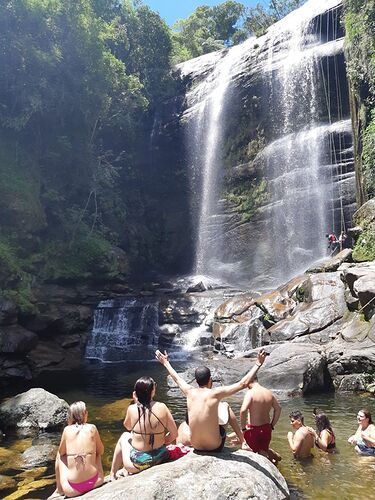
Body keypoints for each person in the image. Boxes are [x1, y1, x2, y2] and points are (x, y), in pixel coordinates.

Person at [155, 349, 267, 452]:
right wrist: (258, 364)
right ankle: (243, 442)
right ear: (210, 380)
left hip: (196, 445)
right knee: (225, 406)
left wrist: (165, 362)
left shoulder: (189, 391)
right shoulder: (215, 393)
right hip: (214, 446)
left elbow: (176, 378)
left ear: (196, 381)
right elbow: (243, 384)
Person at [110, 376, 178, 478]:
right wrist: (163, 440)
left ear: (136, 393)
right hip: (160, 458)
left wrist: (136, 403)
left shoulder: (132, 409)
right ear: (152, 391)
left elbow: (128, 427)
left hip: (137, 465)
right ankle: (118, 471)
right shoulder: (162, 407)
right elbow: (174, 434)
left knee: (125, 436)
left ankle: (112, 473)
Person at [48, 401, 104, 499]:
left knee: (60, 455)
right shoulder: (92, 428)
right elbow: (101, 451)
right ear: (84, 414)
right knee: (97, 453)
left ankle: (59, 490)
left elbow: (62, 453)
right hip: (95, 482)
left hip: (72, 490)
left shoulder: (67, 430)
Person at [240, 376, 282, 463]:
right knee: (264, 451)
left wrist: (243, 428)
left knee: (251, 454)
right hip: (266, 428)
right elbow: (278, 408)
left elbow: (243, 410)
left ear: (249, 380)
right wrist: (272, 425)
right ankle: (275, 459)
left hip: (253, 429)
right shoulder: (269, 392)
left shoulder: (250, 393)